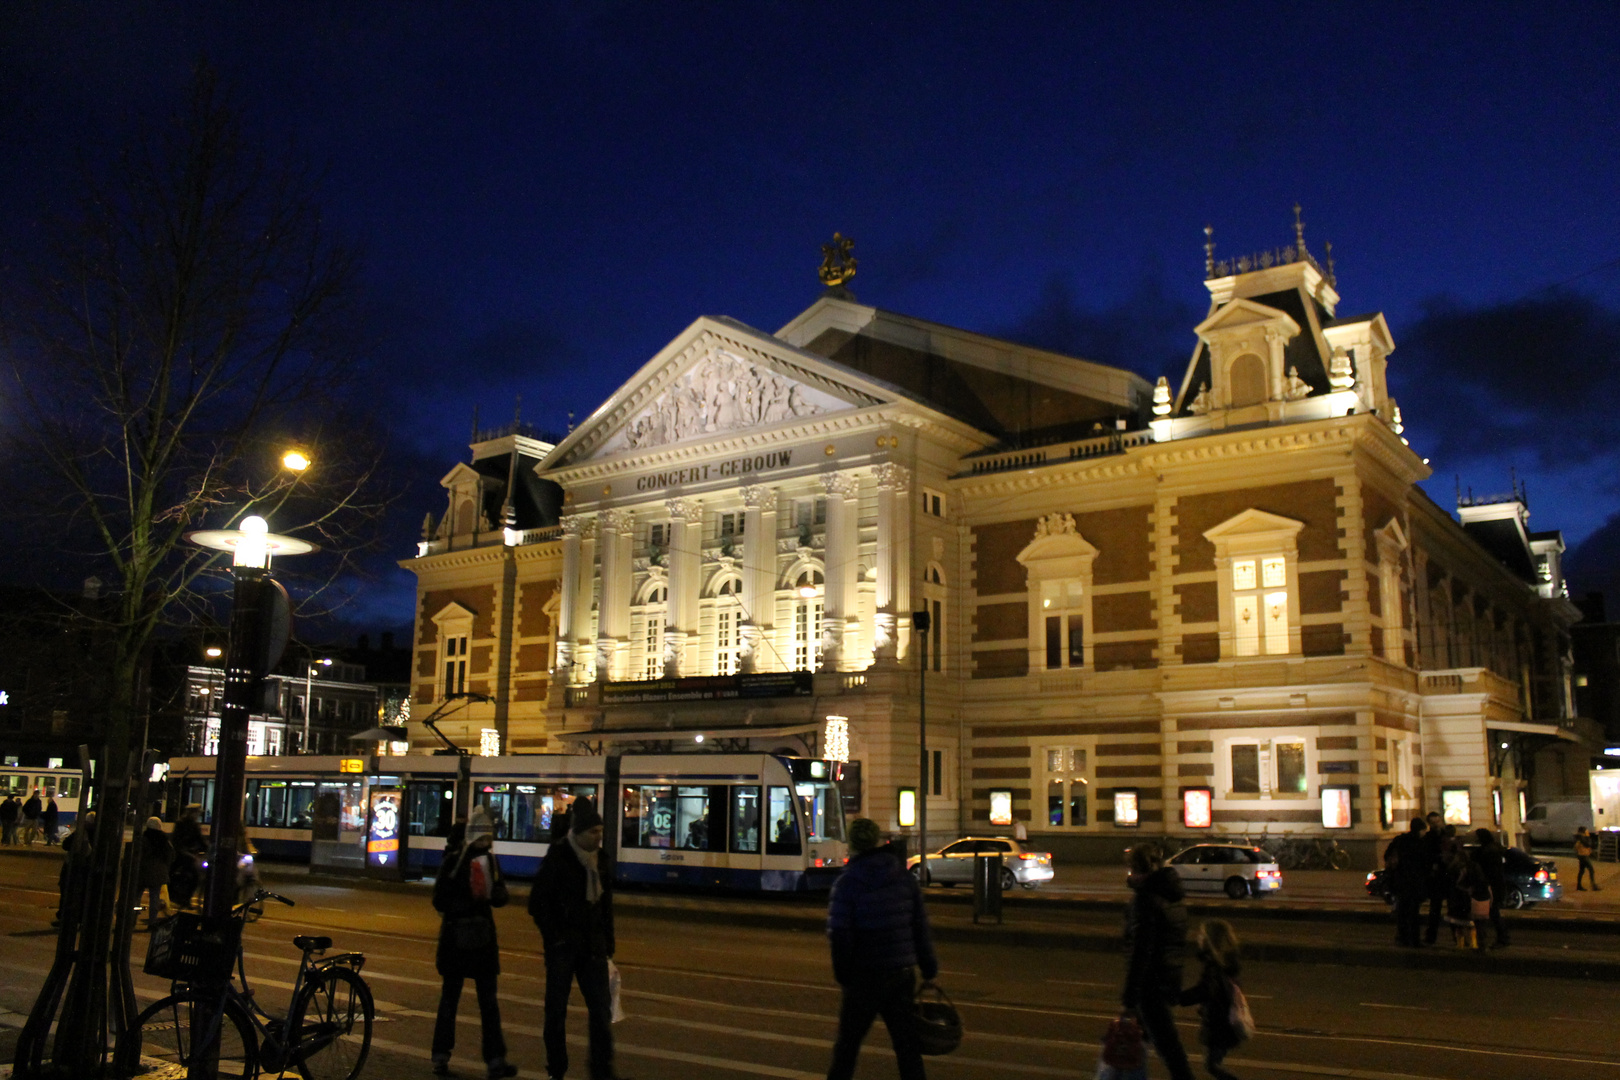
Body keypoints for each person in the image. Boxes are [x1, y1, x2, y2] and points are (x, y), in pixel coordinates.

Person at [824, 817, 937, 1080]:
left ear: (853, 844)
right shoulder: (903, 878)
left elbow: (840, 934)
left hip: (865, 977)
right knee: (907, 1047)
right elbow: (920, 926)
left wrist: (843, 973)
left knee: (848, 1047)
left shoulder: (847, 882)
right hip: (901, 974)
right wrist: (928, 967)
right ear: (877, 841)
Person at [530, 797, 619, 1080]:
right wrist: (555, 938)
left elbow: (605, 905)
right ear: (578, 833)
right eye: (593, 832)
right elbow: (537, 903)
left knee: (601, 1012)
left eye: (600, 832)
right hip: (563, 948)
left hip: (592, 946)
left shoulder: (601, 861)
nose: (598, 837)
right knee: (556, 1011)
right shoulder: (558, 856)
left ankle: (601, 1069)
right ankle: (557, 1068)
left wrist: (608, 942)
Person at [431, 822, 517, 1079]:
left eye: (488, 838)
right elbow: (440, 900)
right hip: (461, 938)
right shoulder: (455, 862)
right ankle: (442, 1056)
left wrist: (495, 893)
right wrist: (469, 898)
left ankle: (494, 1060)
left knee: (482, 1002)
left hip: (477, 940)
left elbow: (500, 898)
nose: (487, 842)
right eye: (483, 837)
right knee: (458, 1000)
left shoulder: (490, 862)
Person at [1122, 842, 1194, 1080]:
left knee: (1168, 1048)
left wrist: (1130, 996)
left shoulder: (1146, 900)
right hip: (1169, 976)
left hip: (1150, 983)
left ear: (1137, 869)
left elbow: (1142, 950)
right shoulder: (1173, 896)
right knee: (1144, 1042)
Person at [1180, 920, 1245, 1080]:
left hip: (1219, 1024)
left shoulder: (1214, 966)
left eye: (1202, 935)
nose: (1198, 938)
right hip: (1224, 1022)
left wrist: (1179, 998)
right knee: (1213, 1063)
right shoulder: (1227, 963)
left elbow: (1205, 990)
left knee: (1212, 1065)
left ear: (1210, 940)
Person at [1383, 817, 1429, 947]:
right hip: (1414, 882)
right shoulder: (1420, 843)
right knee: (1414, 913)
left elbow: (1387, 855)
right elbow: (1425, 863)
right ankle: (1414, 940)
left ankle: (1402, 937)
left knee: (1402, 911)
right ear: (1420, 830)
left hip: (1400, 881)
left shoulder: (1400, 840)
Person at [1471, 828, 1511, 949]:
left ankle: (1501, 938)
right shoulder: (1493, 849)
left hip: (1491, 886)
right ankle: (1501, 938)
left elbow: (1489, 871)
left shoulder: (1488, 852)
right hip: (1496, 885)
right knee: (1493, 913)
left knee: (1492, 913)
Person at [54, 811, 95, 928]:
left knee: (68, 892)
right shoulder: (101, 832)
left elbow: (66, 844)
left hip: (75, 866)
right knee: (85, 894)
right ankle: (83, 919)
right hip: (89, 867)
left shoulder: (82, 832)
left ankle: (64, 918)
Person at [138, 817, 174, 928]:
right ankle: (152, 922)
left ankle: (132, 919)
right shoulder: (164, 840)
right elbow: (171, 855)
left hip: (143, 871)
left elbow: (138, 854)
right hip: (158, 872)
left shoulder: (143, 839)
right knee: (155, 897)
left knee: (136, 897)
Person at [169, 805, 206, 910]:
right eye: (197, 813)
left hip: (187, 852)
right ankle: (184, 899)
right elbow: (176, 841)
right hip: (180, 853)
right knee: (195, 876)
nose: (198, 815)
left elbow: (200, 839)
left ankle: (184, 898)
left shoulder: (192, 824)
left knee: (193, 873)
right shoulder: (182, 823)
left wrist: (207, 847)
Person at [1420, 811, 1445, 944]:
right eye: (1433, 823)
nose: (1436, 825)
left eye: (1437, 822)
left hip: (1447, 876)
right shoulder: (1429, 838)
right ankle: (1431, 937)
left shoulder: (1446, 835)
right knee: (1435, 908)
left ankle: (1461, 939)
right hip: (1436, 878)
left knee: (1455, 910)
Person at [1575, 827, 1601, 891]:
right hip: (1584, 856)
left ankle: (1579, 886)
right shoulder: (1582, 838)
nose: (1588, 832)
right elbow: (1588, 844)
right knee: (1591, 869)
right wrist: (1587, 837)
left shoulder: (1579, 837)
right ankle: (1593, 885)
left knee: (1581, 871)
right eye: (1586, 831)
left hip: (1582, 855)